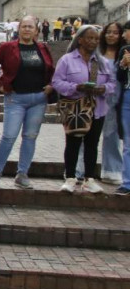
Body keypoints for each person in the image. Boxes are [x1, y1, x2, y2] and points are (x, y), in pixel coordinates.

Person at [0, 15, 56, 189]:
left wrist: (51, 86)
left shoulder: (43, 48)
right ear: (19, 29)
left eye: (31, 27)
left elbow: (51, 69)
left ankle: (22, 174)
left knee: (30, 137)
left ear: (37, 30)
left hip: (38, 99)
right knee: (8, 137)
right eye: (24, 26)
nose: (27, 29)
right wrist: (0, 84)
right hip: (15, 98)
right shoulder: (8, 47)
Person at [53, 25, 116, 193]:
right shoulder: (67, 60)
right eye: (90, 38)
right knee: (73, 142)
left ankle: (89, 179)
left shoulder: (101, 62)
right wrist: (76, 87)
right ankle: (70, 178)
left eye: (96, 39)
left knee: (92, 144)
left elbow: (112, 84)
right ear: (80, 39)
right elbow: (57, 82)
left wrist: (104, 89)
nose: (93, 41)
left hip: (97, 108)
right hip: (76, 108)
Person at [92, 21, 126, 184]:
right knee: (88, 133)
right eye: (108, 32)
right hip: (95, 97)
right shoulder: (97, 52)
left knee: (111, 134)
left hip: (116, 98)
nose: (111, 35)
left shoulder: (124, 53)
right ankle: (82, 170)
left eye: (115, 32)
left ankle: (111, 170)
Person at [115, 37, 130, 196]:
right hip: (127, 98)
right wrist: (123, 64)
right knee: (128, 143)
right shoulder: (125, 50)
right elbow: (120, 77)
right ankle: (127, 183)